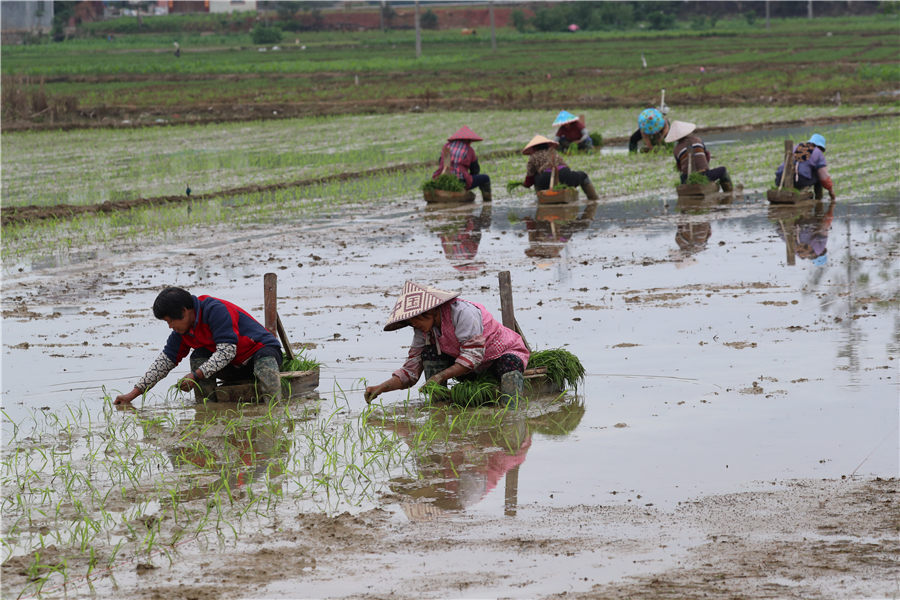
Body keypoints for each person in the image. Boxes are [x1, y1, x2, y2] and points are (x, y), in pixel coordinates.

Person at [364, 281, 530, 407]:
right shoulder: (423, 331)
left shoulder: (462, 312)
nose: (412, 325)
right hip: (470, 367)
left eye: (413, 319)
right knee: (429, 353)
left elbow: (473, 355)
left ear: (429, 311)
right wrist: (381, 388)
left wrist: (440, 376)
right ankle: (440, 407)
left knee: (510, 363)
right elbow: (410, 371)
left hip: (498, 356)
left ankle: (513, 413)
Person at [114, 287, 283, 405]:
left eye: (171, 320)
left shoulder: (215, 310)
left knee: (264, 356)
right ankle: (207, 408)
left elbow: (227, 352)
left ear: (184, 311)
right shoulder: (182, 332)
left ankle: (274, 409)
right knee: (198, 355)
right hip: (233, 368)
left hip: (259, 356)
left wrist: (195, 376)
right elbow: (163, 363)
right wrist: (132, 394)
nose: (170, 326)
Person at [519, 135, 599, 200]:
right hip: (565, 174)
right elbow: (565, 166)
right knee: (583, 176)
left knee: (535, 177)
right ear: (548, 145)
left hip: (545, 180)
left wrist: (524, 184)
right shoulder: (554, 153)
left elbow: (529, 180)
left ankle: (543, 199)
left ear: (534, 148)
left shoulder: (533, 157)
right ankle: (594, 199)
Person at [665, 120, 733, 192]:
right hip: (704, 175)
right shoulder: (697, 140)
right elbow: (707, 156)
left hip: (687, 179)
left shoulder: (676, 150)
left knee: (682, 176)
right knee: (723, 170)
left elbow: (680, 167)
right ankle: (729, 191)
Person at [432, 126, 491, 201]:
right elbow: (475, 170)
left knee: (435, 173)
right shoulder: (469, 150)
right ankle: (487, 201)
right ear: (468, 140)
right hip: (460, 181)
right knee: (486, 178)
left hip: (442, 179)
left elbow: (441, 162)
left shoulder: (446, 146)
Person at [774, 134, 835, 201]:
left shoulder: (797, 146)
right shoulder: (818, 152)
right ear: (821, 147)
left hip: (780, 179)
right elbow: (824, 176)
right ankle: (819, 198)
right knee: (818, 173)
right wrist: (830, 190)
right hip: (799, 180)